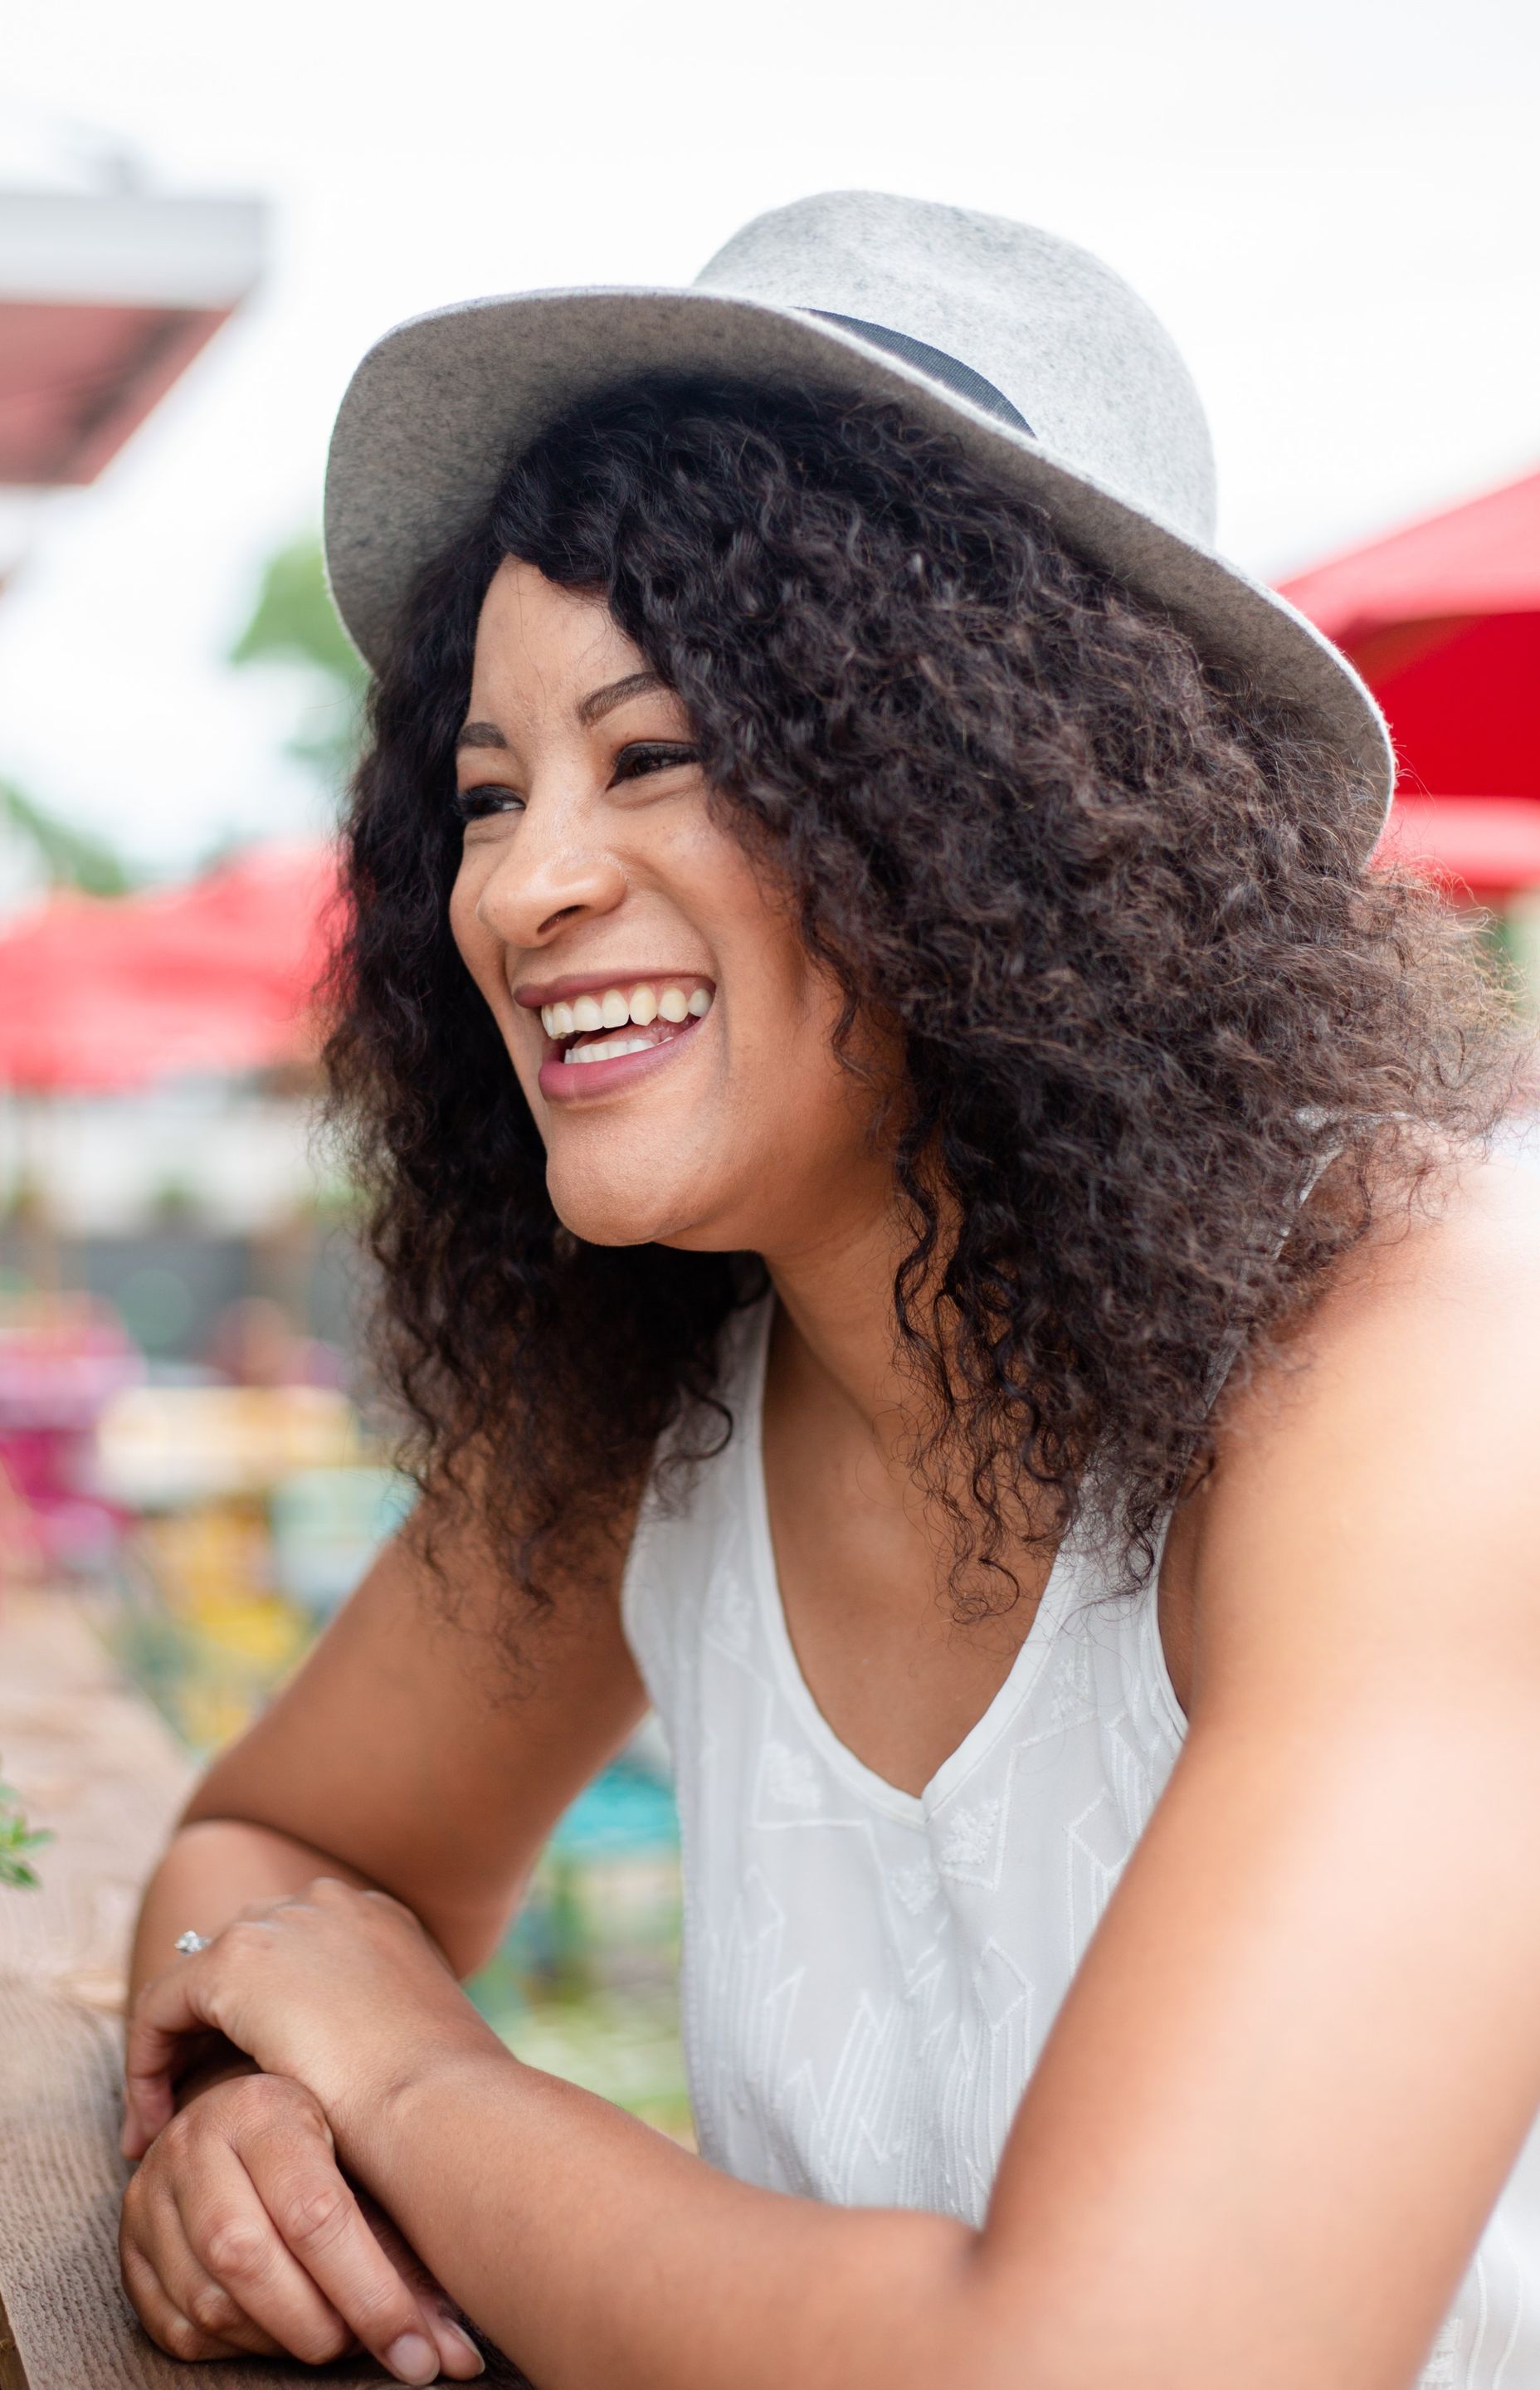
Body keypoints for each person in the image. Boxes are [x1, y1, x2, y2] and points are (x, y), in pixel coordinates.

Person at [116, 194, 1540, 2390]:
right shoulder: (674, 1391)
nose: (527, 883)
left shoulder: (1421, 1363)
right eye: (484, 796)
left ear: (979, 799)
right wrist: (252, 2111)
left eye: (655, 755)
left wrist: (411, 2090)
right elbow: (275, 1852)